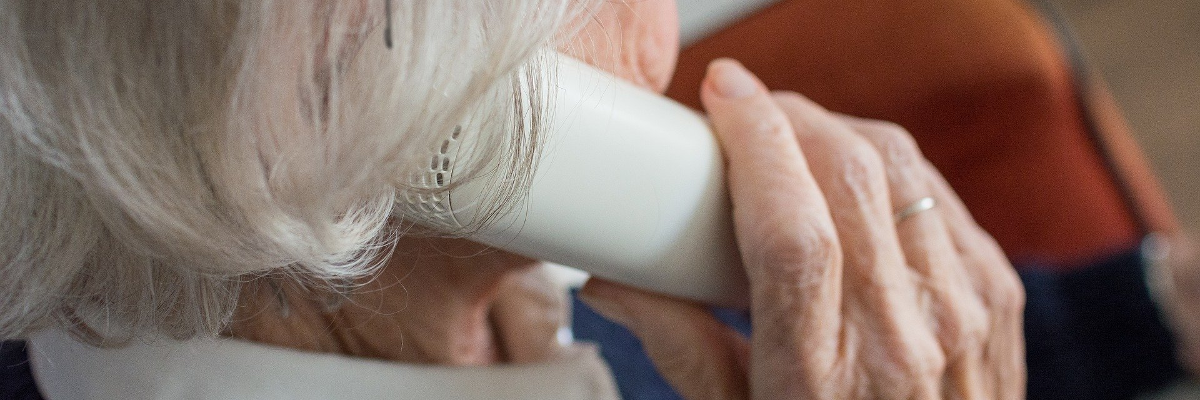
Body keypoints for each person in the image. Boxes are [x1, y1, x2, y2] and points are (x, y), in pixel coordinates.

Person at [0, 1, 1025, 398]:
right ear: (438, 127)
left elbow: (871, 337)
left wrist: (1158, 298)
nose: (662, 23)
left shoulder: (518, 279)